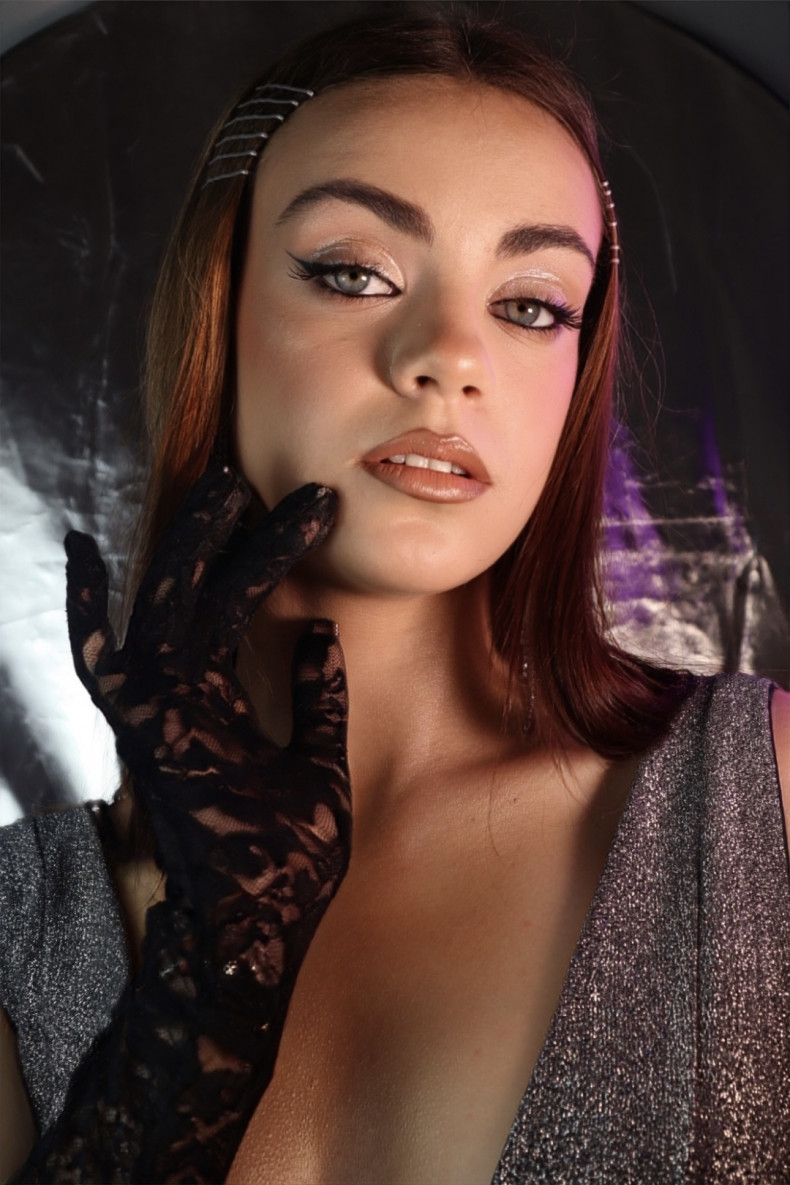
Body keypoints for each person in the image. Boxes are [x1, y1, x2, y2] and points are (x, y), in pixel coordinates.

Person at [1, 8, 788, 1183]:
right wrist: (208, 980)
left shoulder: (764, 800)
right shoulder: (18, 926)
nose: (449, 356)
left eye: (530, 304)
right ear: (221, 300)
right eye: (354, 272)